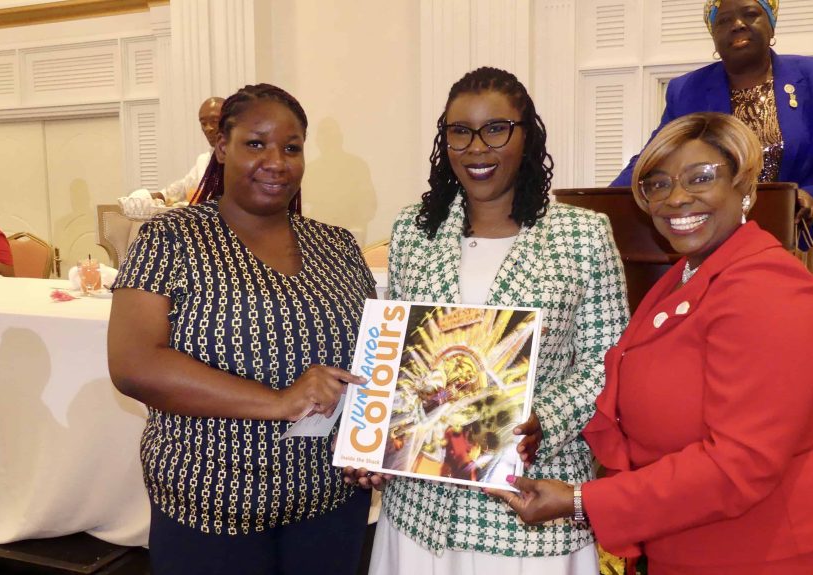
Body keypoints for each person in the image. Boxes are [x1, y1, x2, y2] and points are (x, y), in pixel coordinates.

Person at [494, 112, 813, 575]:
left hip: (765, 550)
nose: (677, 198)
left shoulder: (769, 289)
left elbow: (739, 463)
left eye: (701, 177)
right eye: (658, 184)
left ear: (744, 187)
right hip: (685, 538)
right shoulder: (687, 275)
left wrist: (582, 500)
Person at [349, 67, 630, 575]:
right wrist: (372, 441)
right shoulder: (414, 231)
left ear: (527, 136)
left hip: (528, 508)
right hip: (421, 508)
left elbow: (607, 362)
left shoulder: (583, 235)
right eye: (460, 132)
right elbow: (400, 355)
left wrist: (544, 419)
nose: (477, 148)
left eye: (496, 129)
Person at [108, 83, 374, 575]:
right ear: (221, 147)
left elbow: (376, 359)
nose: (276, 161)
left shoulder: (337, 245)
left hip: (331, 503)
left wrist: (379, 444)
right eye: (256, 143)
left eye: (291, 148)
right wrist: (279, 401)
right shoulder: (171, 237)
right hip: (212, 507)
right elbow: (134, 364)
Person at [612, 0, 813, 273]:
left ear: (771, 24)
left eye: (750, 14)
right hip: (715, 242)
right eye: (723, 21)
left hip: (795, 238)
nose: (737, 25)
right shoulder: (687, 90)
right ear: (713, 35)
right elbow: (655, 157)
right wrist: (600, 205)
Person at [150, 96, 224, 205]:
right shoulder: (204, 160)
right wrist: (159, 196)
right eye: (203, 123)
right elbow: (185, 187)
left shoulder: (243, 160)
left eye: (215, 121)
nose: (208, 128)